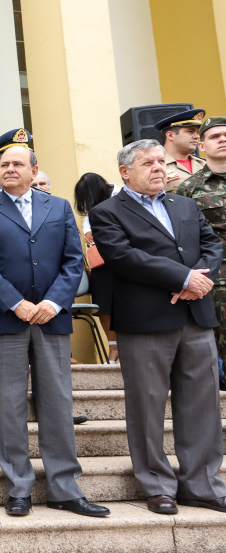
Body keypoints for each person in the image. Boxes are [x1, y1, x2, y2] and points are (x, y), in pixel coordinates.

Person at [0, 128, 108, 518]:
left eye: (17, 163)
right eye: (3, 164)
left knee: (58, 403)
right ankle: (19, 488)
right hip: (5, 319)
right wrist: (16, 303)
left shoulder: (58, 207)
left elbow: (73, 261)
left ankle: (64, 487)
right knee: (8, 406)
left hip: (51, 318)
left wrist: (53, 302)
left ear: (34, 169)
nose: (9, 169)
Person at [90, 138, 226, 515]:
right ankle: (157, 485)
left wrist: (198, 280)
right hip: (146, 322)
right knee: (147, 407)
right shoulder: (107, 211)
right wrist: (183, 277)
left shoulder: (185, 204)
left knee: (202, 406)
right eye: (148, 163)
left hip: (195, 316)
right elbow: (124, 257)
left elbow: (212, 245)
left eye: (161, 162)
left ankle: (202, 484)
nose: (158, 168)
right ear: (124, 172)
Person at [175, 115, 226, 392]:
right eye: (215, 136)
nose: (223, 139)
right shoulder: (189, 189)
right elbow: (185, 239)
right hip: (217, 281)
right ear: (201, 146)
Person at [74, 172, 119, 363]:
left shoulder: (122, 195)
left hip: (123, 259)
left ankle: (124, 345)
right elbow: (88, 221)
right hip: (102, 263)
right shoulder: (95, 207)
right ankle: (113, 347)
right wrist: (88, 231)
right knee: (102, 300)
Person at [155, 108, 206, 193]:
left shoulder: (204, 165)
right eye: (190, 131)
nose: (197, 136)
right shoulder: (155, 166)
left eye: (197, 132)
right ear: (170, 135)